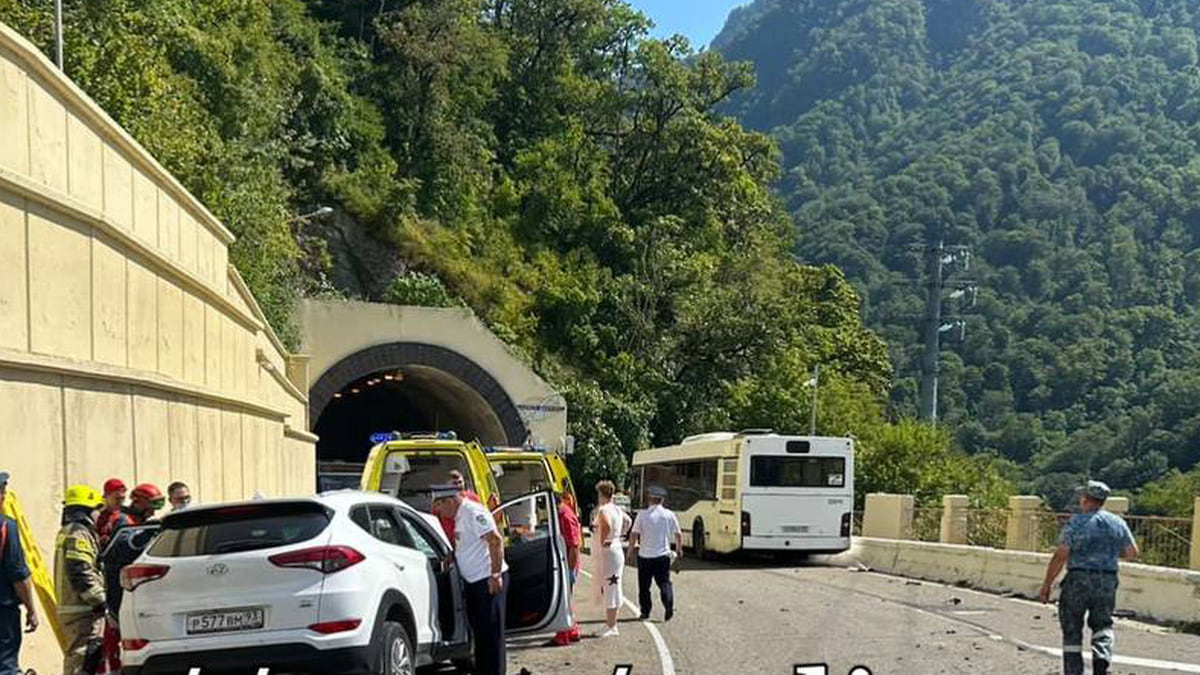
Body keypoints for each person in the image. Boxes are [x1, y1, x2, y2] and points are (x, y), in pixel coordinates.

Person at [1040, 480, 1139, 675]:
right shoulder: (1117, 522)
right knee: (1103, 624)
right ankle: (1102, 657)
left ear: (1085, 499)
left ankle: (1074, 671)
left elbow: (1061, 555)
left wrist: (1047, 584)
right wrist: (1108, 553)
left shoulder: (1076, 522)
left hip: (1078, 579)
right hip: (1107, 580)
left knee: (1072, 627)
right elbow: (1132, 553)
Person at [430, 483, 508, 675]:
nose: (440, 513)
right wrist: (453, 556)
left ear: (449, 501)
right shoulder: (460, 515)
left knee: (492, 636)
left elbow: (495, 540)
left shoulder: (473, 512)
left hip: (487, 580)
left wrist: (495, 574)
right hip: (475, 582)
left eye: (440, 507)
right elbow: (469, 544)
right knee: (480, 634)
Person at [55, 485, 107, 675]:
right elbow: (80, 571)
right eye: (97, 509)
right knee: (82, 659)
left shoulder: (70, 531)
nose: (99, 515)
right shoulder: (79, 534)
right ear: (86, 510)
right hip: (82, 610)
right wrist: (100, 600)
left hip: (76, 607)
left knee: (84, 658)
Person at [0, 472, 37, 675]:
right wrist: (31, 609)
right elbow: (18, 574)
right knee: (5, 667)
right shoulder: (6, 526)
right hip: (3, 610)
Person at [627, 485, 682, 622]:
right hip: (663, 556)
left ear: (649, 499)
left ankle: (645, 612)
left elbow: (634, 534)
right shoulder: (669, 515)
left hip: (645, 557)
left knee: (644, 587)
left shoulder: (642, 515)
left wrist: (630, 551)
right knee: (664, 583)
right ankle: (668, 603)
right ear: (662, 500)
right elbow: (678, 534)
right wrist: (679, 549)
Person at [590, 480, 629, 638]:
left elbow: (606, 525)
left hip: (608, 551)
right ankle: (612, 623)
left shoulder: (603, 509)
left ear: (601, 494)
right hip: (617, 548)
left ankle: (611, 625)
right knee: (613, 585)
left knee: (610, 587)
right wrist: (619, 535)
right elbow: (628, 522)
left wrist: (603, 540)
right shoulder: (618, 509)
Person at [551, 490, 582, 646]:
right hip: (566, 562)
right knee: (567, 600)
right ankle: (572, 630)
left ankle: (563, 635)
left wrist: (569, 571)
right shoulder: (563, 513)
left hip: (568, 564)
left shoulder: (565, 516)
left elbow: (574, 545)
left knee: (563, 600)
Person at [437, 470, 481, 546]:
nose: (458, 486)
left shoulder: (473, 498)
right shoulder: (441, 502)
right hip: (449, 541)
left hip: (470, 539)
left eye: (460, 482)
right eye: (455, 483)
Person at [95, 479, 127, 549]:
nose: (120, 502)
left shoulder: (124, 516)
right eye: (117, 498)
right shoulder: (96, 515)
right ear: (106, 496)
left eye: (122, 498)